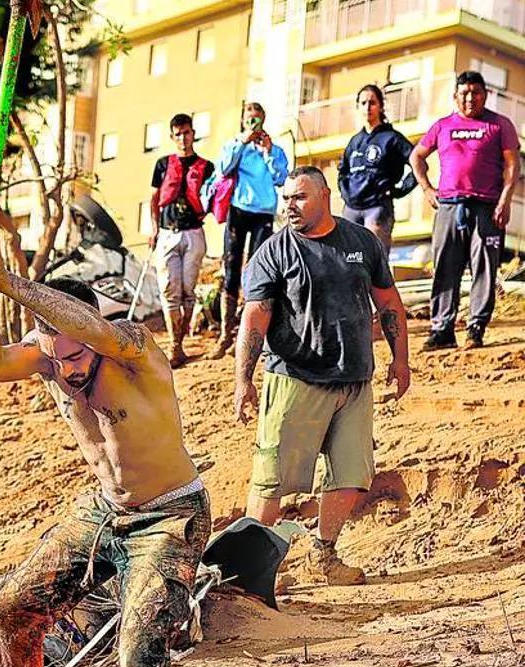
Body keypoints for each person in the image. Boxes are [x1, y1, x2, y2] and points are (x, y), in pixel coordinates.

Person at [0, 229, 210, 667]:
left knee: (138, 652)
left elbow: (87, 325)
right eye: (56, 357)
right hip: (105, 511)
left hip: (171, 513)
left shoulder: (132, 347)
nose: (68, 369)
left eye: (77, 356)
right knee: (11, 611)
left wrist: (5, 280)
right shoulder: (48, 359)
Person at [234, 167, 410, 586]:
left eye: (299, 198)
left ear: (325, 196)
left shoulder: (361, 242)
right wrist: (243, 380)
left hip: (354, 381)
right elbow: (254, 321)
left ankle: (323, 553)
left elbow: (388, 302)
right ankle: (248, 574)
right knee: (272, 479)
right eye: (286, 199)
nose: (289, 206)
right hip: (296, 377)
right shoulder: (274, 252)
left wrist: (400, 360)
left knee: (351, 474)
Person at [409, 70, 521, 351]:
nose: (470, 98)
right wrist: (426, 188)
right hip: (449, 205)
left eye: (476, 93)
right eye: (464, 93)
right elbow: (416, 156)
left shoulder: (499, 125)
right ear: (455, 97)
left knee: (484, 268)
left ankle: (476, 328)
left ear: (485, 95)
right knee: (446, 267)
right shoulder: (443, 125)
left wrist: (505, 200)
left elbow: (512, 164)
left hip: (487, 207)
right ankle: (441, 330)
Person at [211, 102, 289, 359]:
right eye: (249, 119)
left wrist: (267, 152)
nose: (253, 123)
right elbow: (223, 168)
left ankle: (245, 332)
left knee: (256, 272)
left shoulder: (274, 149)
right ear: (244, 121)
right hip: (238, 210)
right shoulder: (235, 145)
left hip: (263, 213)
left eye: (258, 119)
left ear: (264, 120)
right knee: (231, 268)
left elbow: (281, 178)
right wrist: (243, 141)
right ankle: (225, 333)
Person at [149, 113, 214, 368]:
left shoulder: (206, 166)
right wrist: (153, 229)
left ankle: (180, 342)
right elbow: (154, 199)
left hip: (194, 232)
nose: (183, 138)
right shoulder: (163, 164)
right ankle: (175, 345)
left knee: (188, 290)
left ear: (193, 133)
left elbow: (212, 198)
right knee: (169, 290)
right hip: (167, 232)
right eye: (178, 134)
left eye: (186, 132)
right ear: (172, 137)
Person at [338, 84, 418, 254]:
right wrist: (346, 193)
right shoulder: (354, 141)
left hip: (377, 208)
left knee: (374, 258)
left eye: (372, 103)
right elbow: (342, 172)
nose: (368, 107)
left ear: (380, 106)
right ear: (358, 107)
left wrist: (399, 191)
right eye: (363, 103)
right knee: (349, 261)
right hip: (351, 209)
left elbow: (418, 163)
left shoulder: (392, 138)